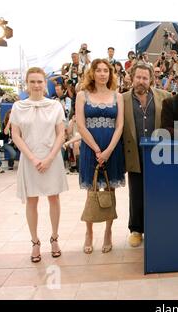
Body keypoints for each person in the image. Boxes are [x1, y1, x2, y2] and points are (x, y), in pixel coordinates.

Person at [9, 67, 68, 263]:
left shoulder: (55, 106)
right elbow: (15, 135)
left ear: (45, 84)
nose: (36, 85)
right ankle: (35, 242)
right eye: (32, 82)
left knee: (54, 198)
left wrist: (50, 157)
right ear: (27, 84)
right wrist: (33, 159)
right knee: (32, 201)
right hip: (29, 159)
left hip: (51, 157)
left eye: (40, 82)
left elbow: (61, 133)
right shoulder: (18, 107)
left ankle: (55, 238)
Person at [76, 59, 126, 254]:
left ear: (110, 74)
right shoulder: (82, 95)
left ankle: (108, 232)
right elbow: (80, 125)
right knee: (92, 190)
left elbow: (120, 125)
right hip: (91, 147)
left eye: (106, 70)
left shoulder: (117, 96)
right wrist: (97, 150)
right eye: (99, 70)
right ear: (93, 73)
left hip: (112, 148)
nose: (103, 74)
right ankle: (88, 232)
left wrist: (108, 151)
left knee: (110, 191)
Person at [122, 62, 171, 247]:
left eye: (145, 78)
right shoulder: (123, 99)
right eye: (138, 77)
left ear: (151, 79)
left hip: (158, 154)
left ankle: (157, 227)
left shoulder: (165, 97)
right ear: (132, 77)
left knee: (158, 192)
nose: (141, 81)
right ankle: (136, 229)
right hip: (134, 152)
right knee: (136, 192)